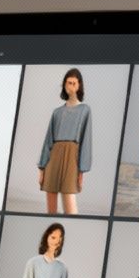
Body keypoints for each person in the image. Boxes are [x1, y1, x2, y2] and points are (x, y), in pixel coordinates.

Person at [38, 68, 94, 215]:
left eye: (74, 83)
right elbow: (48, 140)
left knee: (70, 202)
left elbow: (86, 141)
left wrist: (81, 171)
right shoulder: (57, 112)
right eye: (68, 83)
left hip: (72, 157)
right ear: (64, 85)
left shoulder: (85, 110)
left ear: (79, 85)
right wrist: (42, 168)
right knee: (50, 198)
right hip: (54, 156)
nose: (71, 86)